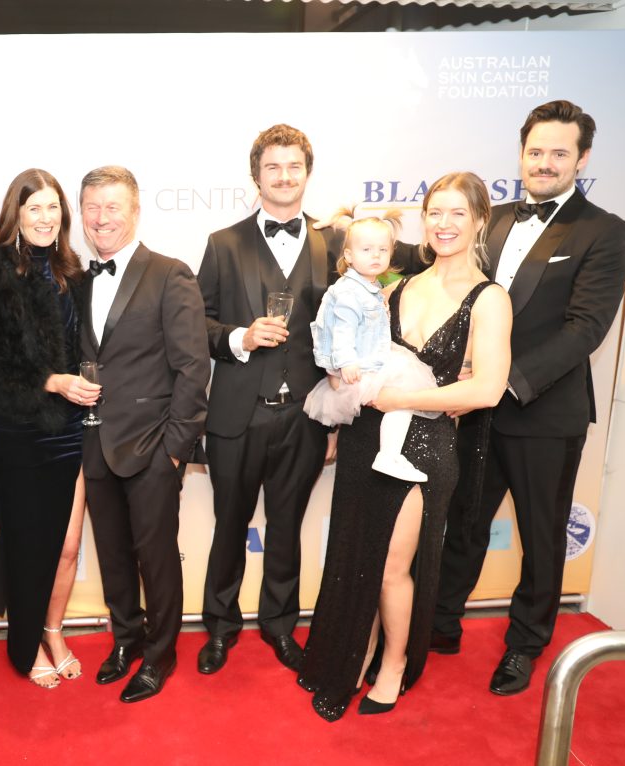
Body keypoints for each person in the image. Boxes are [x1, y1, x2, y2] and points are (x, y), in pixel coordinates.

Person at [431, 100, 625, 695]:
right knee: (461, 521)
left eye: (559, 153)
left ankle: (525, 645)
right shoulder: (492, 220)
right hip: (477, 410)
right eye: (535, 151)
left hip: (542, 411)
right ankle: (441, 623)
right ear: (521, 153)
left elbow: (586, 328)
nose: (544, 163)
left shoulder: (603, 229)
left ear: (582, 159)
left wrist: (503, 382)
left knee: (542, 536)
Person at [298, 171, 512, 721]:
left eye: (457, 213)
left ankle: (393, 662)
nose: (443, 224)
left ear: (480, 220)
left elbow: (487, 388)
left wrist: (396, 399)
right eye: (434, 213)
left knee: (393, 564)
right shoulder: (398, 284)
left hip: (425, 444)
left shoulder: (490, 300)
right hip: (365, 437)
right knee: (354, 551)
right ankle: (354, 651)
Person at [195, 124, 340, 676]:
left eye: (294, 167)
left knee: (286, 528)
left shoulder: (334, 244)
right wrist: (239, 338)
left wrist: (336, 420)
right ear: (255, 176)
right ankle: (218, 627)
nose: (284, 177)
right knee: (229, 527)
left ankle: (280, 626)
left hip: (305, 415)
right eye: (273, 167)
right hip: (236, 414)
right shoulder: (222, 243)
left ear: (308, 173)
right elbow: (197, 325)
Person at [77, 166, 210, 702]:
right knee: (111, 556)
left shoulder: (170, 274)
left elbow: (193, 368)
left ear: (135, 211)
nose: (101, 218)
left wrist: (175, 451)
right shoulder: (80, 279)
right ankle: (126, 641)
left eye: (112, 206)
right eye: (91, 207)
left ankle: (160, 654)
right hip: (95, 443)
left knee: (155, 559)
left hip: (154, 447)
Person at [0, 168, 88, 689]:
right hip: (20, 432)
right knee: (25, 544)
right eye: (34, 207)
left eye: (53, 207)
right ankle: (23, 645)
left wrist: (72, 389)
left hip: (72, 430)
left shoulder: (70, 269)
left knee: (64, 546)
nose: (44, 217)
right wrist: (51, 383)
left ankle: (52, 631)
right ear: (15, 212)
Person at [303, 212, 440, 483]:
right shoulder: (348, 292)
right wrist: (346, 362)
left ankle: (390, 453)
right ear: (349, 256)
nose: (376, 256)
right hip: (357, 364)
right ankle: (389, 454)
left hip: (369, 357)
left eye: (383, 250)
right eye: (366, 250)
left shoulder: (370, 286)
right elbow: (341, 329)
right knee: (405, 391)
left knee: (403, 398)